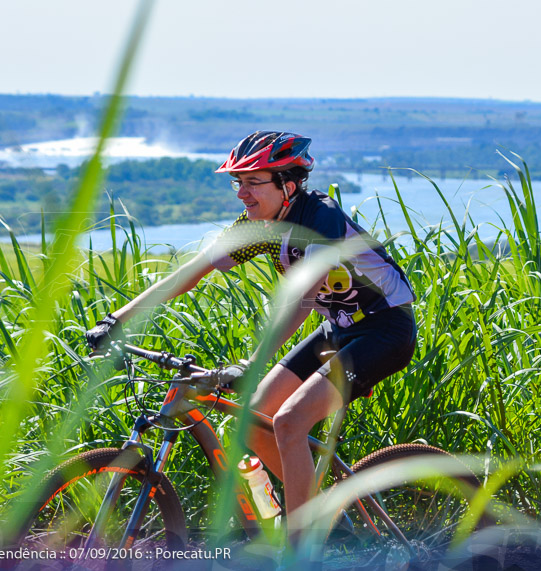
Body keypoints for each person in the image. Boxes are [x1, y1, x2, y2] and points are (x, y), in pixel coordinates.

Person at [85, 131, 417, 541]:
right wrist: (117, 319)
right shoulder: (260, 226)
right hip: (339, 329)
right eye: (237, 182)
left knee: (290, 421)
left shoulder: (322, 221)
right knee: (253, 422)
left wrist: (253, 363)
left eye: (252, 182)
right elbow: (191, 273)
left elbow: (301, 301)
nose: (241, 192)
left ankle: (299, 551)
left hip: (384, 329)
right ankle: (331, 525)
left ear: (288, 185)